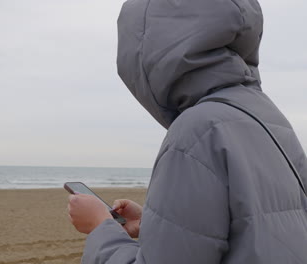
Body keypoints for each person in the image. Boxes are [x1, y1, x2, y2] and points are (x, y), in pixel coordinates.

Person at [67, 0, 307, 263]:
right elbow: (255, 229)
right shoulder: (266, 115)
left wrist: (100, 228)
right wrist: (154, 223)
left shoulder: (196, 131)